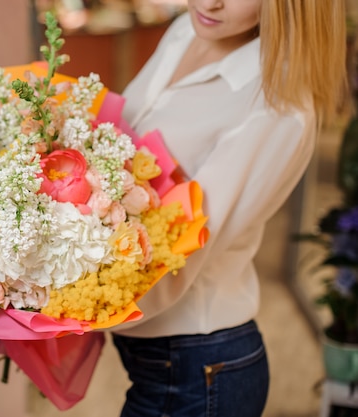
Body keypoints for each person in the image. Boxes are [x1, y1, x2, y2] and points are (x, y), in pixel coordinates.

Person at [112, 1, 350, 416]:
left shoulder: (276, 107)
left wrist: (53, 302)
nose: (209, 2)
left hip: (198, 369)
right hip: (157, 358)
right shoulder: (187, 31)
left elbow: (183, 255)